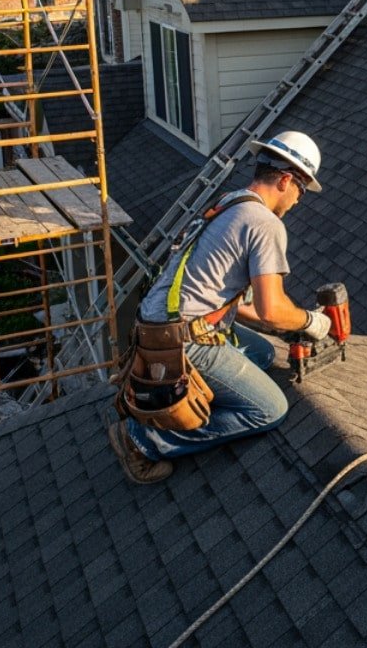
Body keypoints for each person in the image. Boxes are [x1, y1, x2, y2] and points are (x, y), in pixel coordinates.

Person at [107, 131, 332, 484]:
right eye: (301, 190)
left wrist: (284, 326)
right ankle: (142, 440)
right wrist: (309, 322)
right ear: (286, 180)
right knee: (270, 409)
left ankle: (202, 393)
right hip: (183, 343)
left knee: (261, 353)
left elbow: (235, 305)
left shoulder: (230, 203)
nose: (298, 200)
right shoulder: (266, 224)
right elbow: (271, 309)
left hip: (157, 327)